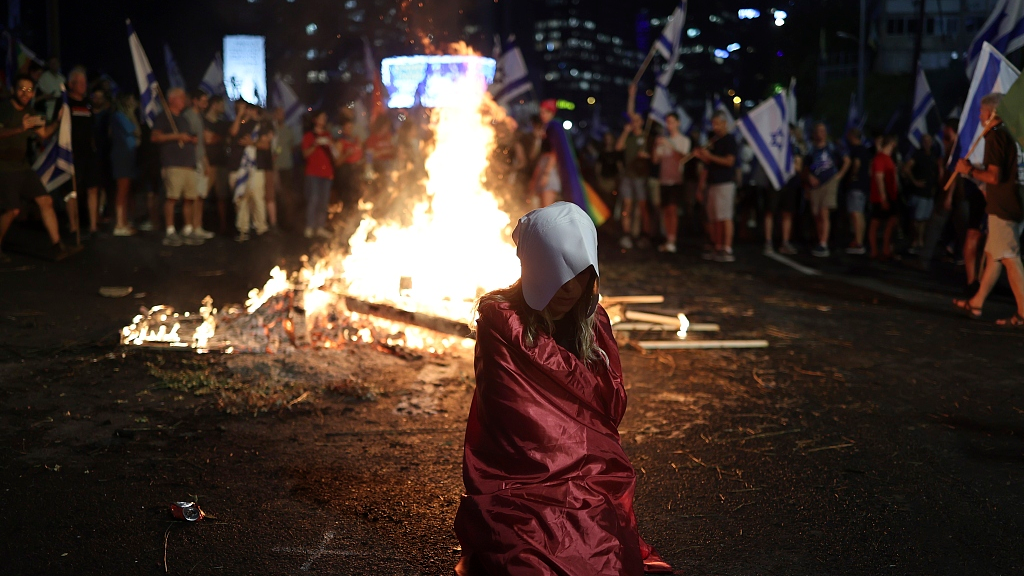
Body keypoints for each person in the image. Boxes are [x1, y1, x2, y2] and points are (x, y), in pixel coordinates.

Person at [455, 202, 672, 576]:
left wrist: (584, 449)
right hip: (520, 480)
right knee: (528, 557)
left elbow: (610, 402)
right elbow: (513, 414)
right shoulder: (502, 321)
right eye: (559, 274)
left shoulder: (594, 319)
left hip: (591, 474)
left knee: (598, 542)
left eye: (581, 274)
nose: (570, 287)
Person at [953, 93, 1024, 325]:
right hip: (1016, 201)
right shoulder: (1013, 133)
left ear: (992, 112)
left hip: (1003, 205)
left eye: (982, 111)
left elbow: (994, 176)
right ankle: (977, 303)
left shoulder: (995, 136)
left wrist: (969, 171)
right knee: (994, 256)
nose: (980, 116)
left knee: (1010, 257)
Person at [0, 75, 72, 261]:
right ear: (14, 91)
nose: (25, 94)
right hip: (4, 167)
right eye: (22, 89)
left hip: (22, 167)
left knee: (46, 201)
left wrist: (58, 121)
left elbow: (44, 133)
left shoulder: (30, 111)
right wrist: (20, 129)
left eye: (29, 90)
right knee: (13, 210)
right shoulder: (4, 108)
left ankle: (57, 245)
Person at [151, 87, 201, 246]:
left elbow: (188, 135)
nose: (184, 100)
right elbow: (155, 137)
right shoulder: (163, 117)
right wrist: (177, 136)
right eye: (180, 97)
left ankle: (187, 229)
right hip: (173, 164)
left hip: (188, 164)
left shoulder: (184, 119)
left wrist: (191, 140)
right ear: (171, 99)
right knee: (172, 198)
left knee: (189, 198)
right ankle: (170, 231)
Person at [693, 111, 738, 262]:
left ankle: (727, 247)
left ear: (725, 123)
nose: (715, 127)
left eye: (718, 123)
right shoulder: (713, 140)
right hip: (713, 183)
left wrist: (709, 156)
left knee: (725, 216)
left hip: (725, 183)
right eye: (713, 124)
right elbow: (707, 165)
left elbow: (729, 161)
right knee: (715, 217)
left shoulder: (729, 140)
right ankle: (718, 245)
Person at [802, 123, 851, 257]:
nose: (820, 133)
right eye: (818, 131)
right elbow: (805, 168)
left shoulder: (832, 147)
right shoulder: (811, 150)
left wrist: (839, 176)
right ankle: (820, 241)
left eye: (823, 131)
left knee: (824, 212)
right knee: (817, 214)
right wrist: (809, 178)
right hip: (815, 185)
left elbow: (847, 160)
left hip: (829, 182)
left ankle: (823, 243)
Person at [229, 102, 272, 242]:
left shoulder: (258, 126)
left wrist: (252, 143)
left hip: (255, 168)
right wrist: (239, 116)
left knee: (257, 197)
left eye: (243, 107)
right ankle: (243, 229)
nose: (240, 110)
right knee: (240, 199)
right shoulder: (235, 124)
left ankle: (261, 228)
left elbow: (265, 145)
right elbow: (233, 133)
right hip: (236, 167)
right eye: (237, 108)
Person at [67, 67, 102, 235]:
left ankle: (93, 226)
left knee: (93, 188)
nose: (83, 86)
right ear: (71, 84)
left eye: (84, 83)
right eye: (79, 83)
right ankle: (74, 226)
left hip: (89, 153)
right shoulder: (66, 103)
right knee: (72, 191)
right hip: (73, 153)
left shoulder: (87, 104)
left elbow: (92, 127)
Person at [652, 112, 691, 253]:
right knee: (666, 210)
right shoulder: (664, 140)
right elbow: (655, 160)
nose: (669, 125)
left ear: (678, 123)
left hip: (676, 180)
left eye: (672, 122)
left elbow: (683, 157)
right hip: (664, 180)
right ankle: (668, 238)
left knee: (673, 210)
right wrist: (656, 147)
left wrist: (670, 144)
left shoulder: (683, 140)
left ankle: (672, 240)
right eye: (667, 122)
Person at [616, 113, 651, 249]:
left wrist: (646, 156)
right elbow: (618, 147)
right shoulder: (629, 138)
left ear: (642, 122)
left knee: (642, 207)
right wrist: (625, 132)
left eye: (637, 120)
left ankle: (644, 235)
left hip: (641, 177)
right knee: (627, 206)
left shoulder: (646, 136)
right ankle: (627, 234)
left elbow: (653, 156)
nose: (634, 123)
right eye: (632, 121)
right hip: (628, 176)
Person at [184, 89, 214, 240]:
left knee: (200, 195)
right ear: (195, 100)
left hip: (201, 161)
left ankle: (198, 226)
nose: (205, 104)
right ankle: (190, 227)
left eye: (206, 101)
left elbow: (202, 144)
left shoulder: (199, 117)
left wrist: (206, 162)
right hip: (192, 162)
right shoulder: (188, 116)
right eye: (203, 100)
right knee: (193, 195)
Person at [902, 133, 939, 254]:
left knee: (924, 219)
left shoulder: (933, 155)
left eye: (929, 141)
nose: (927, 143)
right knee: (916, 219)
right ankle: (914, 241)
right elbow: (906, 168)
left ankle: (920, 241)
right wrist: (914, 181)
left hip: (929, 193)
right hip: (919, 193)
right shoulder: (918, 154)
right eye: (925, 141)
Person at [109, 93, 140, 235]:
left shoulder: (123, 117)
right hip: (122, 157)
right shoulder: (119, 116)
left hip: (128, 156)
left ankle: (124, 221)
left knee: (126, 190)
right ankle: (119, 225)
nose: (134, 103)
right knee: (122, 190)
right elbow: (136, 131)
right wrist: (133, 113)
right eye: (132, 100)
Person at [302, 110, 335, 239]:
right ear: (315, 120)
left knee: (324, 201)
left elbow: (334, 154)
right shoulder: (309, 136)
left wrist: (331, 145)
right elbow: (305, 154)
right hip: (313, 173)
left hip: (327, 173)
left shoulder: (328, 135)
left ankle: (320, 227)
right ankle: (310, 226)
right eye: (321, 117)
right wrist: (315, 144)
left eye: (325, 118)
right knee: (314, 199)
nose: (323, 120)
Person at [868, 134, 900, 260]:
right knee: (876, 223)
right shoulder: (880, 158)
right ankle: (875, 251)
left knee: (891, 221)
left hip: (890, 196)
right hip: (881, 197)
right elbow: (879, 178)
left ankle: (886, 249)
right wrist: (883, 198)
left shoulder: (888, 158)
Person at [203, 96, 231, 234]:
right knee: (202, 194)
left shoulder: (223, 123)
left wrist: (216, 138)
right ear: (214, 105)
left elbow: (214, 138)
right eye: (222, 104)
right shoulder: (203, 121)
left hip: (222, 163)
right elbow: (207, 139)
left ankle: (223, 226)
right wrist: (221, 138)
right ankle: (198, 225)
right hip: (208, 163)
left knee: (222, 197)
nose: (224, 108)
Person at [844, 127, 872, 254]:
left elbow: (856, 163)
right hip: (864, 186)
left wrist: (852, 177)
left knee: (856, 213)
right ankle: (859, 240)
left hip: (856, 185)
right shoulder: (866, 150)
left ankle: (858, 243)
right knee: (860, 214)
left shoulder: (856, 150)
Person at [272, 107, 298, 231]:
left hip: (287, 166)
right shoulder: (272, 130)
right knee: (276, 194)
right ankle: (277, 222)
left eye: (282, 113)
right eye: (278, 113)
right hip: (274, 167)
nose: (281, 116)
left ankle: (288, 222)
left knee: (287, 194)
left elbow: (292, 147)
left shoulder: (288, 130)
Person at [529, 138, 560, 208]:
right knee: (541, 207)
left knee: (546, 207)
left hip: (549, 177)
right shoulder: (539, 137)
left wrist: (546, 174)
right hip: (542, 173)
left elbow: (553, 156)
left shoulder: (552, 135)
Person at [36, 57, 65, 122]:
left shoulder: (62, 79)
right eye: (52, 63)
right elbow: (38, 95)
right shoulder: (43, 77)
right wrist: (46, 96)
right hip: (48, 113)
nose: (54, 65)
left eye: (55, 63)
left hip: (61, 113)